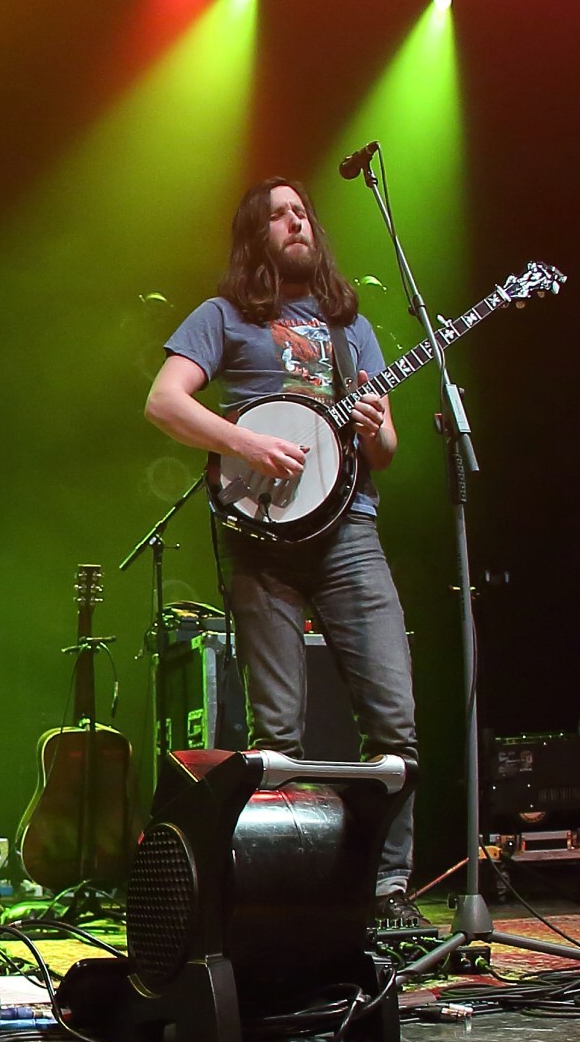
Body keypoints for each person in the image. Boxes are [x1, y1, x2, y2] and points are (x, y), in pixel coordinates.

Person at [145, 178, 425, 929]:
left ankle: (385, 892)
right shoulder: (224, 317)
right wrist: (245, 442)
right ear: (254, 235)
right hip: (260, 539)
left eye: (301, 211)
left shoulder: (349, 325)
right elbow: (164, 401)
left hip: (349, 532)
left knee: (394, 725)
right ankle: (286, 896)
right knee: (277, 738)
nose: (295, 221)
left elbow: (388, 447)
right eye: (278, 214)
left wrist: (373, 429)